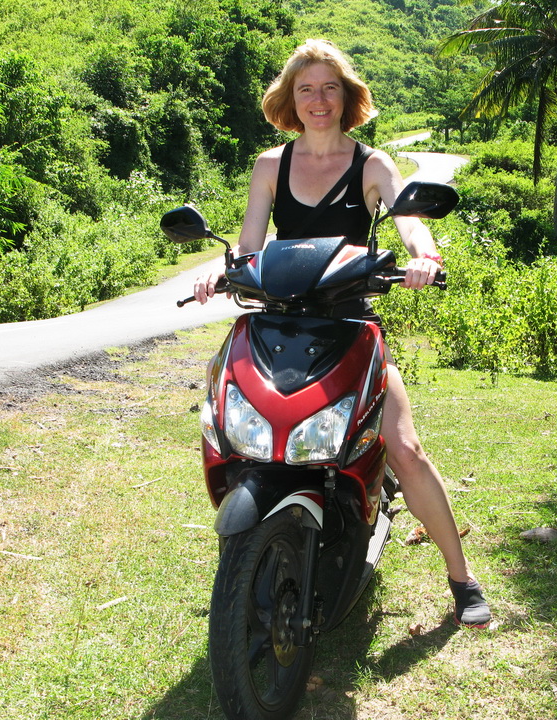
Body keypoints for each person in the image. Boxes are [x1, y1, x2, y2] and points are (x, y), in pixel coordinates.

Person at [193, 38, 491, 628]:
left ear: (347, 97)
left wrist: (425, 257)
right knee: (234, 424)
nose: (318, 100)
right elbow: (249, 245)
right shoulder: (271, 165)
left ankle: (462, 579)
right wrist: (219, 270)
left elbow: (409, 223)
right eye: (306, 89)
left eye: (330, 88)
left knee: (404, 448)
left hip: (351, 323)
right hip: (280, 322)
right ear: (291, 99)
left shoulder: (372, 165)